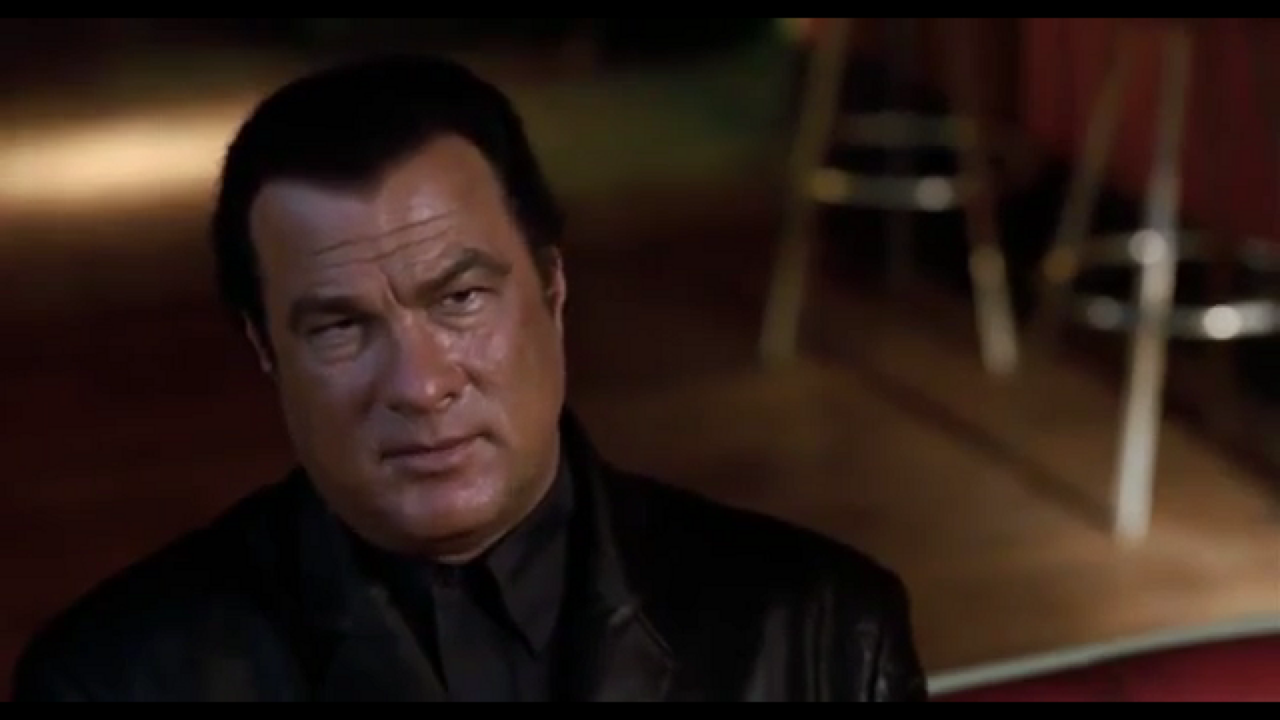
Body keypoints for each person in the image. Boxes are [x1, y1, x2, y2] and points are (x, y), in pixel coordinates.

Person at [10, 54, 927, 702]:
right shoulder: (111, 681)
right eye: (340, 327)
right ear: (265, 352)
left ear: (553, 291)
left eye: (459, 300)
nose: (420, 385)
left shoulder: (823, 636)